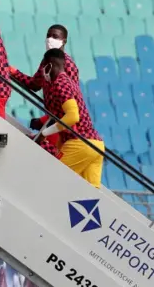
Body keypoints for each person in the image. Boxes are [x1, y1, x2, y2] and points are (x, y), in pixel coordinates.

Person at [35, 48, 104, 188]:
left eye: (43, 67)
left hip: (79, 143)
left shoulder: (60, 83)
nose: (42, 71)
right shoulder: (69, 82)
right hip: (96, 145)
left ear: (50, 65)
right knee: (90, 198)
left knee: (53, 183)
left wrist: (43, 134)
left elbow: (73, 116)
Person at [10, 25, 79, 158]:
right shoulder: (46, 61)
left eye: (55, 36)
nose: (49, 39)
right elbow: (35, 84)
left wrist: (45, 120)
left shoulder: (68, 66)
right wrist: (14, 73)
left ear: (64, 41)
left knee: (49, 155)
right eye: (48, 35)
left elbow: (72, 100)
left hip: (60, 123)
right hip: (52, 118)